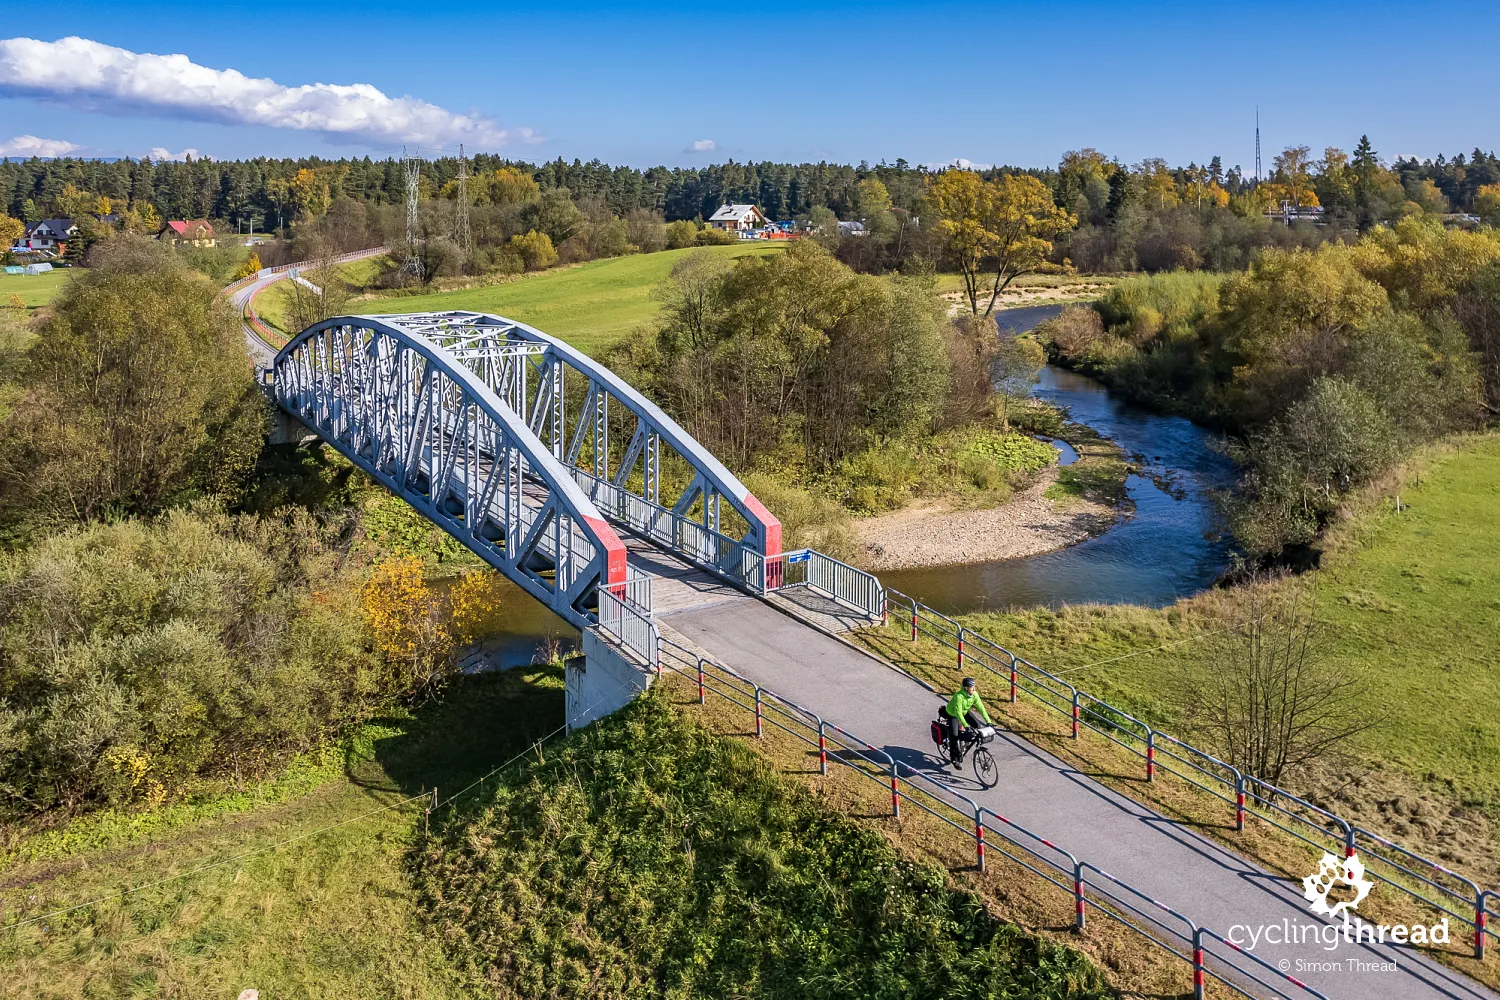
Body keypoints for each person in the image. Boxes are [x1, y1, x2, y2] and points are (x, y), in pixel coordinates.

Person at [940, 677, 992, 770]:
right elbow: (958, 713)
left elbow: (981, 708)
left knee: (977, 726)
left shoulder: (974, 695)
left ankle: (966, 742)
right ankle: (954, 758)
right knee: (954, 735)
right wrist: (966, 726)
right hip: (953, 714)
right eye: (970, 687)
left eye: (973, 687)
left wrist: (988, 721)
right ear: (965, 688)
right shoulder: (958, 696)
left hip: (964, 712)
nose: (972, 689)